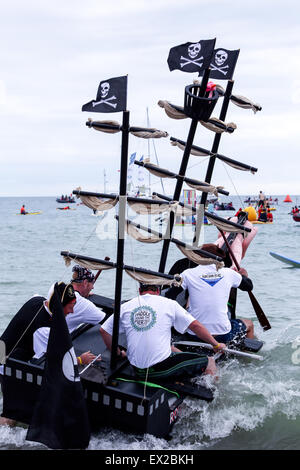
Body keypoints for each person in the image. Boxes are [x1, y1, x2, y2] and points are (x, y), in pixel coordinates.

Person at [100, 283, 226, 381]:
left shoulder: (126, 306)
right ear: (159, 291)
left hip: (137, 369)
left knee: (170, 348)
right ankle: (215, 398)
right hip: (158, 369)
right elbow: (195, 326)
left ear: (139, 291)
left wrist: (118, 353)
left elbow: (104, 330)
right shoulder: (169, 303)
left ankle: (189, 365)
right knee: (210, 361)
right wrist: (216, 344)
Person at [166, 244, 254, 343]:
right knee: (249, 324)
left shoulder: (188, 273)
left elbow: (170, 296)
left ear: (198, 256)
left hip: (195, 334)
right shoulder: (229, 273)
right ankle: (242, 353)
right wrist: (244, 276)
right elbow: (249, 286)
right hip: (223, 335)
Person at [33, 266, 106, 360]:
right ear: (85, 283)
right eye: (92, 283)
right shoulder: (84, 305)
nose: (93, 287)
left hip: (40, 339)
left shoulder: (58, 290)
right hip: (54, 347)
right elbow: (107, 321)